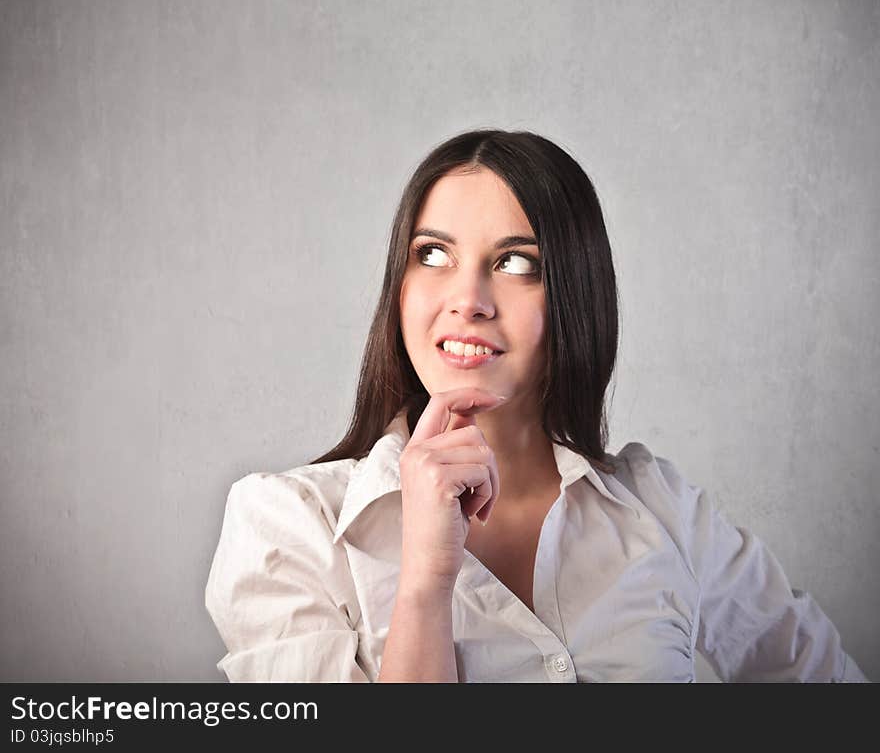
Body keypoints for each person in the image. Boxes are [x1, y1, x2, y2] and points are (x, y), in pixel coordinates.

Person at [204, 129, 869, 683]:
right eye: (432, 254)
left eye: (517, 263)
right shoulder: (285, 526)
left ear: (576, 295)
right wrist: (425, 583)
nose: (467, 298)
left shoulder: (661, 508)